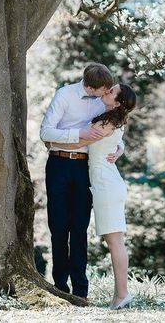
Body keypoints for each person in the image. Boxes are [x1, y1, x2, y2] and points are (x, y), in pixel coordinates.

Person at [39, 62, 122, 298]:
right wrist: (79, 134)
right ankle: (60, 286)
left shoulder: (102, 102)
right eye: (103, 90)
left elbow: (114, 130)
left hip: (83, 168)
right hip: (58, 164)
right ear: (90, 86)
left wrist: (120, 148)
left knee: (79, 228)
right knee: (58, 226)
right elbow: (46, 132)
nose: (107, 94)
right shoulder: (64, 95)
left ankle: (81, 290)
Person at [59, 83, 136, 309]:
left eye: (112, 92)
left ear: (118, 103)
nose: (107, 92)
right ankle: (121, 294)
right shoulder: (112, 120)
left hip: (106, 184)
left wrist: (52, 140)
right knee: (114, 240)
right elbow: (114, 143)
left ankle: (122, 294)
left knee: (115, 241)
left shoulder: (107, 122)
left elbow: (82, 142)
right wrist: (120, 149)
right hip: (106, 182)